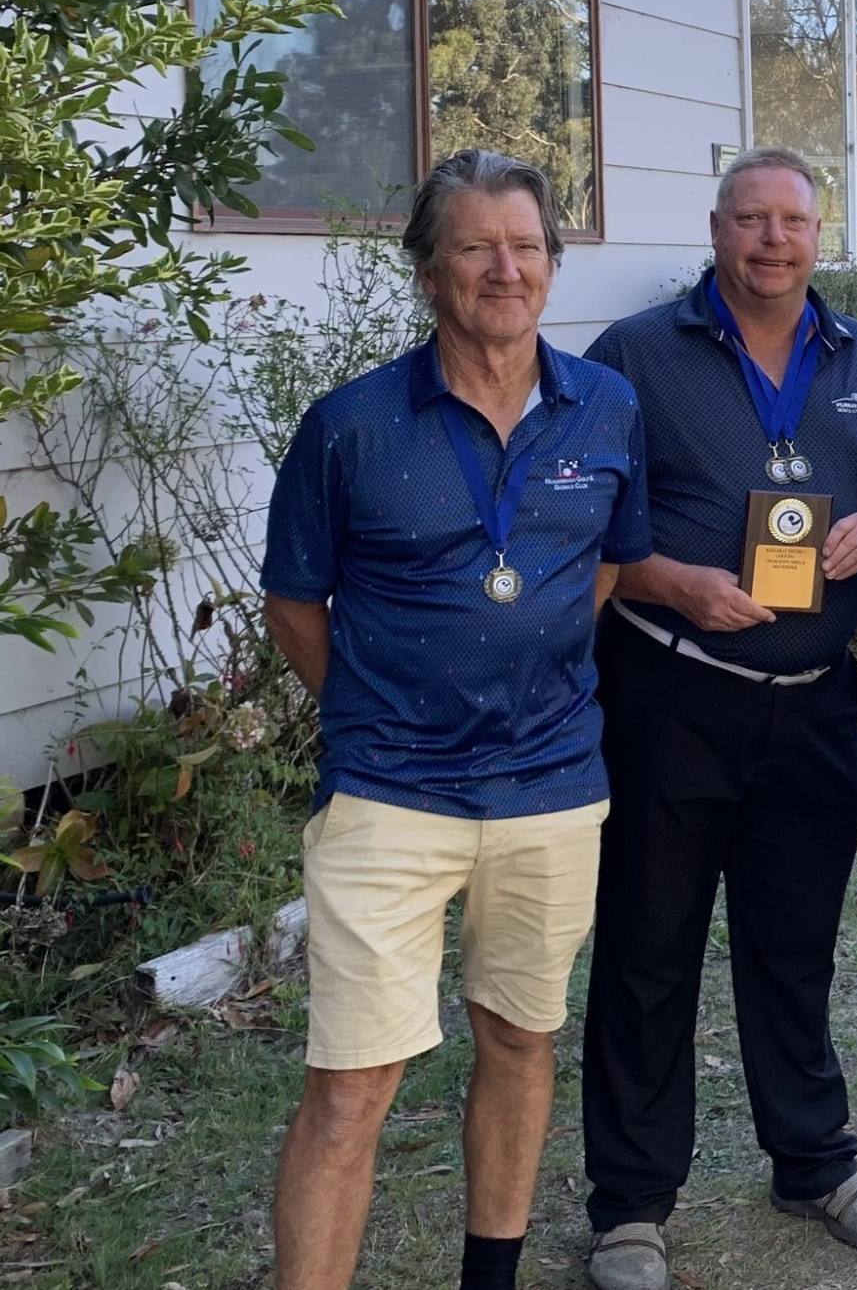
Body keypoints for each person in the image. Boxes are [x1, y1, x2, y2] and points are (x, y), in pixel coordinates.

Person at [261, 150, 652, 1290]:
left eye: (525, 246)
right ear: (428, 268)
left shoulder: (606, 407)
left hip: (551, 788)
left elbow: (603, 573)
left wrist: (525, 673)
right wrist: (379, 710)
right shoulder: (351, 426)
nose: (503, 268)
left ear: (551, 263)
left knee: (521, 1040)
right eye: (475, 245)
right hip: (390, 793)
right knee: (349, 1082)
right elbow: (295, 604)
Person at [576, 146, 857, 1290]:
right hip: (671, 698)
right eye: (750, 219)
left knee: (794, 947)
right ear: (716, 228)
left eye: (792, 221)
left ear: (818, 234)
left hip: (815, 710)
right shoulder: (634, 355)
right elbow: (580, 528)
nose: (771, 240)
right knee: (647, 947)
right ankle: (633, 1206)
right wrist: (672, 580)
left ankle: (812, 1160)